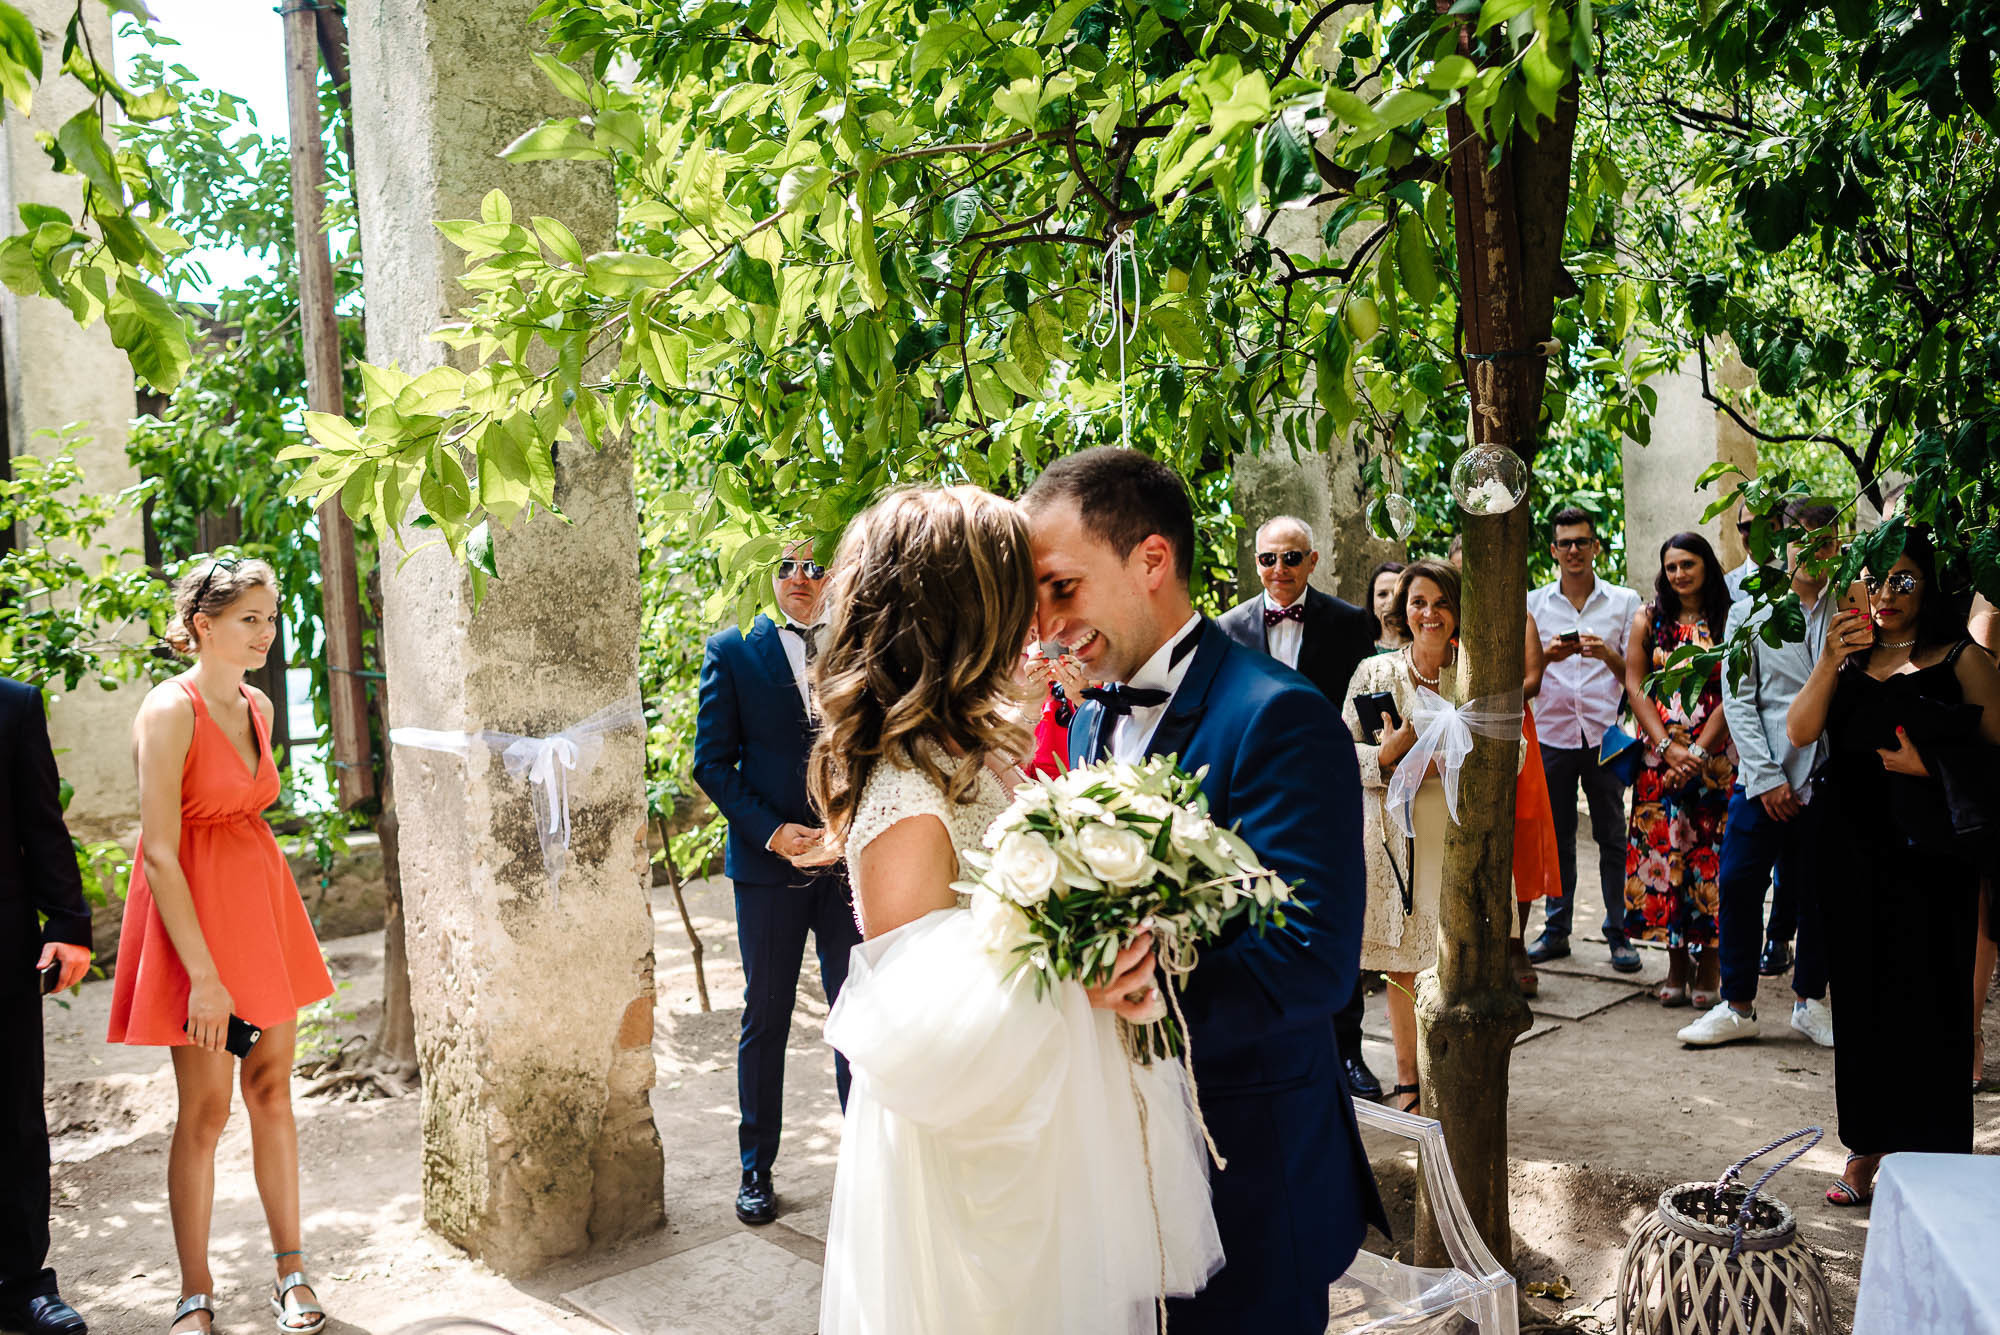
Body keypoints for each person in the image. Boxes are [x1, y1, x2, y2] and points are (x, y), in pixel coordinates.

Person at [812, 486, 1224, 1335]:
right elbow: (913, 1033)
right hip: (976, 1194)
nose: (1041, 613)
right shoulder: (905, 793)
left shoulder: (965, 752)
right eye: (1020, 588)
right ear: (968, 609)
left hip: (1040, 1149)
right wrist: (1078, 978)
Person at [1028, 448, 1386, 1335]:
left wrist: (1133, 996)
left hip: (1249, 1176)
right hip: (1124, 1177)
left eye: (1061, 588)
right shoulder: (1095, 712)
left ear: (1151, 561)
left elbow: (1310, 961)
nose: (1045, 623)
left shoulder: (1277, 716)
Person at [105, 558, 336, 1335]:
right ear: (203, 624)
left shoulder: (260, 704)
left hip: (260, 907)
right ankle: (193, 1295)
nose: (267, 632)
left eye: (271, 618)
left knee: (272, 1090)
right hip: (194, 925)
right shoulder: (169, 710)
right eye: (250, 619)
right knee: (203, 1112)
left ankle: (291, 1274)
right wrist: (203, 977)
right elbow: (161, 852)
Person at [1786, 525, 2000, 1206]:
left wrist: (1930, 766)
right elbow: (1799, 730)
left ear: (1929, 583)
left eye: (1903, 579)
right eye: (1876, 580)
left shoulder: (1961, 659)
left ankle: (1932, 1162)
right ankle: (1865, 1151)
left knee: (1929, 1008)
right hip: (1852, 858)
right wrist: (1828, 659)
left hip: (1933, 867)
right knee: (1863, 1008)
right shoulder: (1849, 661)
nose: (1887, 594)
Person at [691, 538, 862, 1227]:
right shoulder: (732, 648)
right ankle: (756, 1167)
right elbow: (711, 763)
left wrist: (848, 825)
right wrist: (774, 833)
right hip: (769, 868)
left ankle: (868, 1159)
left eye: (814, 564)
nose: (800, 578)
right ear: (766, 573)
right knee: (766, 1015)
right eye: (786, 565)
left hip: (848, 858)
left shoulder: (856, 642)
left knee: (861, 1006)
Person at [1218, 515, 1383, 1101]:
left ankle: (1349, 1054)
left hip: (1326, 789)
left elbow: (1368, 707)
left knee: (1329, 920)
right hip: (1251, 794)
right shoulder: (1229, 627)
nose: (1279, 570)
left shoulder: (1346, 623)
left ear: (1312, 561)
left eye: (1291, 559)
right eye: (1268, 560)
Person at [1676, 503, 1838, 1048]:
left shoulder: (1851, 608)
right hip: (1763, 776)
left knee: (1819, 890)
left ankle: (1810, 1001)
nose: (1815, 550)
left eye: (1827, 539)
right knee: (1740, 881)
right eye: (1802, 540)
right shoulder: (1754, 610)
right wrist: (1767, 778)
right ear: (1782, 546)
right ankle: (1737, 1005)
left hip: (1829, 779)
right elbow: (1739, 701)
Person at [1343, 561, 1472, 1113]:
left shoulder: (1475, 670)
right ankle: (1408, 1084)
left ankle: (1458, 1082)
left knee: (1458, 961)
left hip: (1459, 834)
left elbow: (1510, 751)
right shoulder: (1373, 675)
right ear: (1402, 610)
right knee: (1402, 963)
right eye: (1418, 602)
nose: (1429, 614)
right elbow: (1340, 752)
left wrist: (1443, 764)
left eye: (1441, 602)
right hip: (1395, 839)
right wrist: (1388, 756)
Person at [0, 679, 93, 1335]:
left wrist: (68, 920)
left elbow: (41, 820)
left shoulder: (13, 705)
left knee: (15, 1119)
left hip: (2, 946)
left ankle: (23, 1286)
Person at [1525, 508, 1643, 971]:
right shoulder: (1534, 603)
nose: (1574, 550)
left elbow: (1637, 676)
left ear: (1597, 547)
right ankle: (1557, 930)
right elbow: (1527, 673)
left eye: (1582, 541)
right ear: (1553, 550)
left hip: (1607, 734)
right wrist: (1550, 657)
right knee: (1556, 838)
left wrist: (1607, 653)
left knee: (1614, 835)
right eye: (1565, 543)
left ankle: (1620, 932)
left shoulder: (1624, 601)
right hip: (1552, 734)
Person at [1624, 532, 1736, 1007]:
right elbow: (1634, 683)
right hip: (1659, 758)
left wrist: (1698, 755)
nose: (1679, 574)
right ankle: (1674, 963)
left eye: (1687, 564)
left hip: (1714, 760)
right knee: (1666, 858)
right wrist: (1668, 746)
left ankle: (1710, 965)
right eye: (1671, 567)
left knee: (1711, 861)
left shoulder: (1730, 618)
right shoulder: (1649, 618)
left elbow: (1736, 687)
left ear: (1707, 565)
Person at [1369, 560, 1407, 653]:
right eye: (1382, 594)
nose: (1391, 600)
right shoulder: (1359, 648)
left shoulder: (1424, 648)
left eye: (1398, 593)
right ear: (1372, 604)